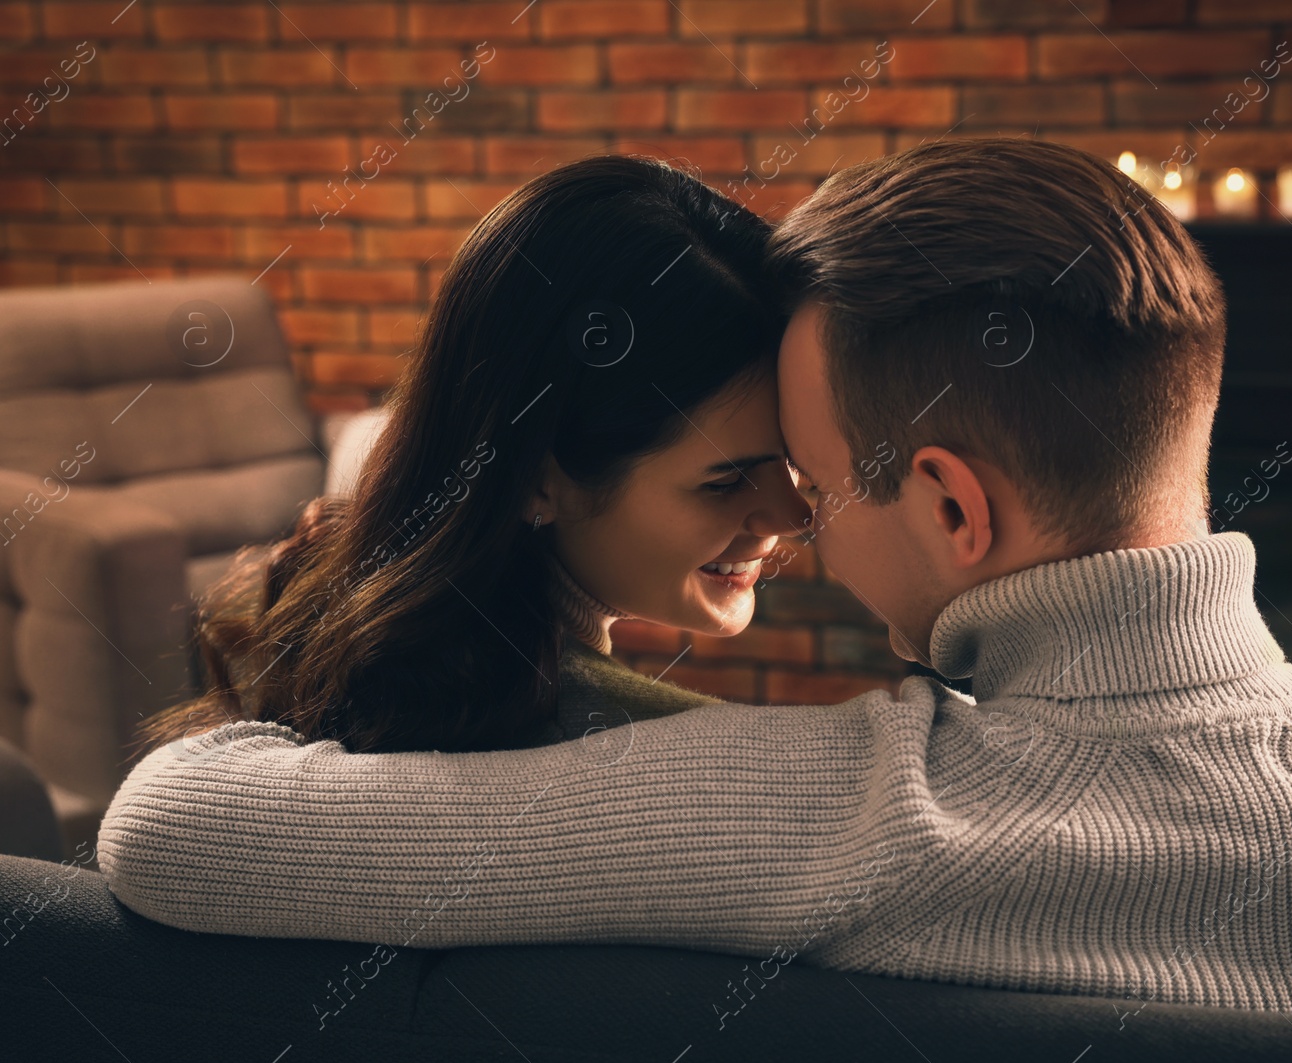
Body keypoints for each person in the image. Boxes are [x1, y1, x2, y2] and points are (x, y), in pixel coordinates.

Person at [99, 139, 1292, 1032]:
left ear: (947, 500)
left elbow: (172, 820)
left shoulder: (835, 810)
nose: (800, 524)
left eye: (814, 475)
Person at [129, 154, 812, 761]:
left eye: (792, 458)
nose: (794, 510)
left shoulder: (413, 666)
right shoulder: (643, 755)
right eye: (724, 481)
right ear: (536, 481)